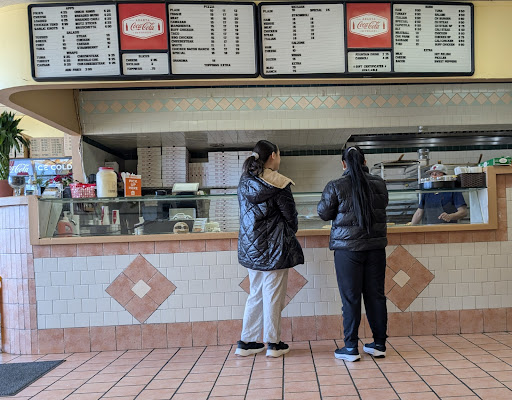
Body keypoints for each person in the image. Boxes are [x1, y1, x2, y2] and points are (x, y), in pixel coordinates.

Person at [317, 146, 389, 362]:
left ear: (343, 164)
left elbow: (323, 213)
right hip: (375, 248)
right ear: (365, 161)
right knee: (376, 296)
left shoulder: (336, 185)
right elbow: (383, 205)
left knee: (350, 298)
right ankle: (379, 345)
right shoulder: (379, 183)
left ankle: (350, 347)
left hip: (347, 250)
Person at [236, 140, 304, 358]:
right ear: (273, 155)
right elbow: (291, 217)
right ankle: (273, 343)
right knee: (273, 295)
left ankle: (246, 342)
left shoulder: (245, 181)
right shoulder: (278, 183)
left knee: (255, 293)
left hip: (251, 247)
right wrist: (289, 231)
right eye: (279, 155)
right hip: (275, 248)